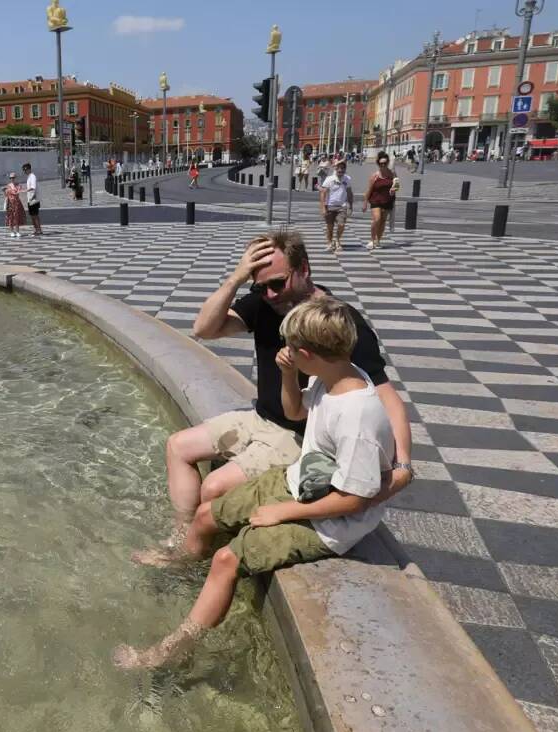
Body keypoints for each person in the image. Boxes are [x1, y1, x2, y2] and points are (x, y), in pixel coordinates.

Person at [115, 296, 398, 669]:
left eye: (291, 349)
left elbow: (356, 499)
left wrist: (282, 512)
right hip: (299, 481)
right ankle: (183, 565)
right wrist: (287, 375)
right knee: (204, 515)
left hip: (328, 520)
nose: (285, 352)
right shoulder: (331, 378)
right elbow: (295, 411)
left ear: (308, 353)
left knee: (226, 559)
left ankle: (174, 651)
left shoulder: (357, 416)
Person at [131, 230, 412, 555]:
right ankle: (182, 536)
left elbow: (384, 394)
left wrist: (402, 466)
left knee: (214, 486)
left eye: (278, 282)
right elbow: (203, 329)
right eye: (260, 286)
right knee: (177, 446)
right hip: (261, 416)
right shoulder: (265, 303)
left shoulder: (334, 324)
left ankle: (194, 554)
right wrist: (236, 278)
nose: (271, 294)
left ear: (303, 269)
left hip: (296, 434)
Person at [364, 152, 398, 251]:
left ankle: (378, 240)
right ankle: (372, 240)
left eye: (385, 163)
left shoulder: (392, 174)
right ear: (378, 164)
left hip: (387, 200)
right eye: (380, 163)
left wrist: (394, 189)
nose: (383, 165)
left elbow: (397, 185)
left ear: (387, 163)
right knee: (377, 219)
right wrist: (365, 202)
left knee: (383, 222)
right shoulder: (375, 176)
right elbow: (369, 190)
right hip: (375, 200)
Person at [319, 160, 353, 253]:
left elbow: (350, 193)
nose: (341, 170)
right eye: (339, 168)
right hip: (329, 205)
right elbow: (323, 193)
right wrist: (323, 207)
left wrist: (350, 206)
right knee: (330, 226)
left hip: (342, 206)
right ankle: (329, 243)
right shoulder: (329, 179)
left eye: (343, 168)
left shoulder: (347, 179)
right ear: (335, 169)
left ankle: (337, 240)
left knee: (341, 224)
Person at [23, 162, 43, 236]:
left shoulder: (32, 176)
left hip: (33, 199)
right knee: (32, 215)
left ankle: (39, 230)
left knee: (35, 215)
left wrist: (26, 191)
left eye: (25, 169)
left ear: (29, 169)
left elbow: (33, 188)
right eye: (24, 170)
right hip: (30, 199)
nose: (24, 171)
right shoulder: (29, 177)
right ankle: (36, 230)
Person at [4, 172, 26, 238]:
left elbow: (19, 191)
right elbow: (6, 194)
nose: (12, 179)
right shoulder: (8, 186)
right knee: (11, 217)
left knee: (17, 217)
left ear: (15, 178)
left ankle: (17, 231)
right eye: (11, 178)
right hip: (10, 203)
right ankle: (11, 231)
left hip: (17, 203)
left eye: (13, 177)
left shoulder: (18, 185)